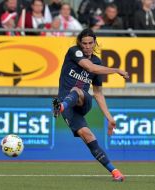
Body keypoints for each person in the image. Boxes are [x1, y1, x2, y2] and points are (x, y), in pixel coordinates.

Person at [52, 28, 129, 182]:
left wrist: (109, 118)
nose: (87, 46)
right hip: (67, 105)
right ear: (80, 43)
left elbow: (98, 93)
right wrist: (116, 70)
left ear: (95, 43)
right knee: (88, 136)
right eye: (84, 43)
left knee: (77, 90)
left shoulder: (97, 62)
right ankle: (115, 171)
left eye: (90, 43)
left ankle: (60, 107)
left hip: (83, 101)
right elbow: (89, 68)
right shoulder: (74, 52)